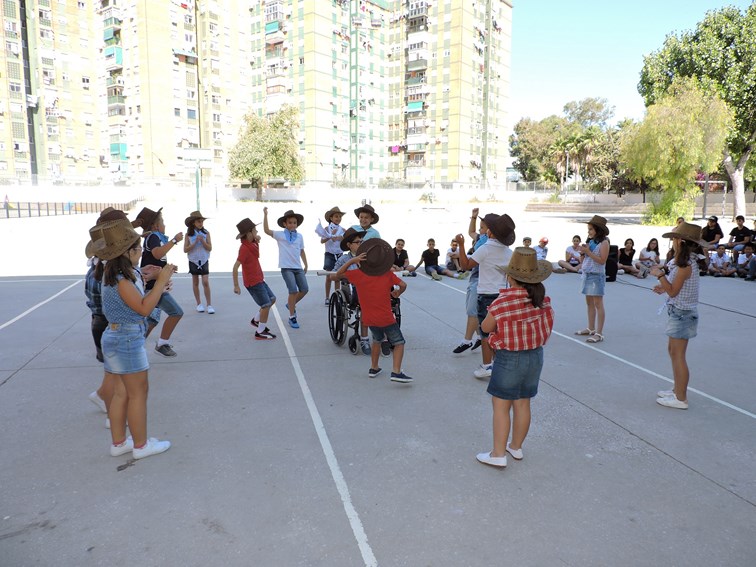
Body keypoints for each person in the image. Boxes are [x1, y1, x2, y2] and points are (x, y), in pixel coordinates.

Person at [96, 217, 175, 459]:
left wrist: (148, 277)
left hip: (116, 336)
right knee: (138, 393)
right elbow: (143, 308)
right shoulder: (122, 280)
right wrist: (161, 283)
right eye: (138, 248)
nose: (141, 251)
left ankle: (119, 443)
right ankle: (141, 446)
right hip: (127, 339)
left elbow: (133, 297)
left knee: (121, 393)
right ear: (127, 252)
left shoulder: (117, 274)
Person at [476, 247, 554, 468]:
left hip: (509, 358)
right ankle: (516, 447)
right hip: (535, 357)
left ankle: (498, 454)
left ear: (510, 277)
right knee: (523, 403)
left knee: (501, 405)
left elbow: (486, 327)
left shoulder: (502, 302)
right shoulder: (543, 300)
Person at [333, 238, 412, 383]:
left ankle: (374, 368)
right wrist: (397, 293)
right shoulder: (387, 274)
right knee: (399, 342)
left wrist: (352, 261)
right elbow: (403, 285)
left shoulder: (358, 274)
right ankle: (396, 371)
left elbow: (337, 275)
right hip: (386, 317)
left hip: (369, 318)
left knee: (377, 340)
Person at [456, 213, 516, 379]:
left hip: (486, 295)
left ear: (490, 232)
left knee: (485, 332)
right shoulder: (508, 252)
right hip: (502, 295)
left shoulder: (485, 249)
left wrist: (461, 245)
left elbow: (465, 265)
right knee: (498, 331)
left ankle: (486, 365)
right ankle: (498, 363)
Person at [650, 222, 703, 410]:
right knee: (673, 352)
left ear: (681, 241)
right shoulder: (684, 263)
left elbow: (673, 291)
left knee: (678, 355)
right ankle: (677, 390)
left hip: (683, 314)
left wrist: (659, 276)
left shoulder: (685, 266)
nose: (672, 241)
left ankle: (681, 398)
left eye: (674, 238)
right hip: (679, 312)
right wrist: (663, 286)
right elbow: (674, 287)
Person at [135, 207, 184, 357]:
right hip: (153, 287)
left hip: (155, 286)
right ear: (155, 225)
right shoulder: (153, 236)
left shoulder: (155, 238)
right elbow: (157, 254)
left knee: (152, 320)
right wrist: (174, 240)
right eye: (162, 221)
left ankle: (136, 346)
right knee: (176, 312)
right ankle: (161, 344)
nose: (164, 224)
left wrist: (168, 269)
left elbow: (157, 260)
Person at [263, 207, 308, 329]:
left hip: (298, 267)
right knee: (293, 291)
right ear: (285, 224)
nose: (293, 225)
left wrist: (306, 264)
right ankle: (292, 317)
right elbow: (266, 230)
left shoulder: (299, 236)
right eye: (290, 223)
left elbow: (302, 251)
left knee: (304, 289)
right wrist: (265, 215)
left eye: (294, 223)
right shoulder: (280, 235)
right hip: (286, 268)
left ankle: (290, 304)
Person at [232, 218, 277, 340]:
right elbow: (235, 267)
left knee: (272, 299)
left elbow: (257, 254)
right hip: (253, 282)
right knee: (266, 305)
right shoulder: (244, 248)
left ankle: (256, 320)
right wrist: (236, 285)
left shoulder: (252, 244)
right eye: (255, 230)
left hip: (259, 279)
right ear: (249, 233)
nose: (257, 232)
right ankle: (260, 332)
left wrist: (256, 241)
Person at [330, 227, 371, 355]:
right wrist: (348, 274)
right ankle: (364, 339)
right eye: (358, 242)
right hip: (352, 291)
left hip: (369, 289)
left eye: (362, 242)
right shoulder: (344, 259)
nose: (361, 244)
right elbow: (332, 276)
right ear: (349, 245)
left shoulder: (368, 257)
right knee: (364, 304)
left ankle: (385, 335)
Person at [453, 208, 487, 353]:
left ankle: (467, 340)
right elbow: (471, 232)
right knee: (472, 309)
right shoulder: (482, 238)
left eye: (482, 227)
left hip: (480, 278)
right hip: (475, 277)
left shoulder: (487, 244)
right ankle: (479, 336)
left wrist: (461, 245)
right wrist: (473, 218)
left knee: (472, 310)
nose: (479, 230)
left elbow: (466, 265)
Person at [575, 215, 609, 343]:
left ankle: (599, 333)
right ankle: (590, 328)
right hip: (587, 274)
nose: (588, 232)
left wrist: (588, 252)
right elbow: (584, 260)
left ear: (598, 230)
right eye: (588, 229)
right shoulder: (590, 242)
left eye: (590, 229)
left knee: (598, 304)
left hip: (596, 275)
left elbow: (602, 260)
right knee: (589, 303)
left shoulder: (604, 243)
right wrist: (583, 253)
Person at [183, 210, 213, 314]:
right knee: (195, 282)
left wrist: (203, 241)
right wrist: (195, 242)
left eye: (202, 221)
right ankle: (199, 304)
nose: (201, 223)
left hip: (204, 259)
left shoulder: (206, 233)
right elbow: (185, 249)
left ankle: (209, 305)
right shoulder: (188, 235)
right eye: (198, 221)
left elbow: (210, 248)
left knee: (205, 281)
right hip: (193, 260)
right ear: (193, 223)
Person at [316, 206, 346, 304]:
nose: (338, 218)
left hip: (339, 254)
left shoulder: (343, 230)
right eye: (336, 216)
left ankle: (337, 297)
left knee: (337, 277)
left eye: (340, 217)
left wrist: (343, 238)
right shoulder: (326, 229)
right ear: (331, 218)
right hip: (329, 254)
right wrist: (330, 235)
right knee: (328, 276)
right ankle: (327, 297)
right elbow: (322, 241)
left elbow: (346, 242)